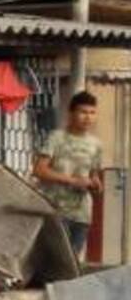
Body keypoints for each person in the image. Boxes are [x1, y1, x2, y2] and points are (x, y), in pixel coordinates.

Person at [33, 91, 103, 261]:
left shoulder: (96, 144)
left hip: (82, 215)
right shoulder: (56, 138)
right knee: (52, 261)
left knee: (70, 264)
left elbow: (94, 177)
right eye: (83, 112)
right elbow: (39, 170)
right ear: (71, 113)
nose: (88, 117)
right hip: (55, 210)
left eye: (92, 113)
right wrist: (73, 180)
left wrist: (96, 186)